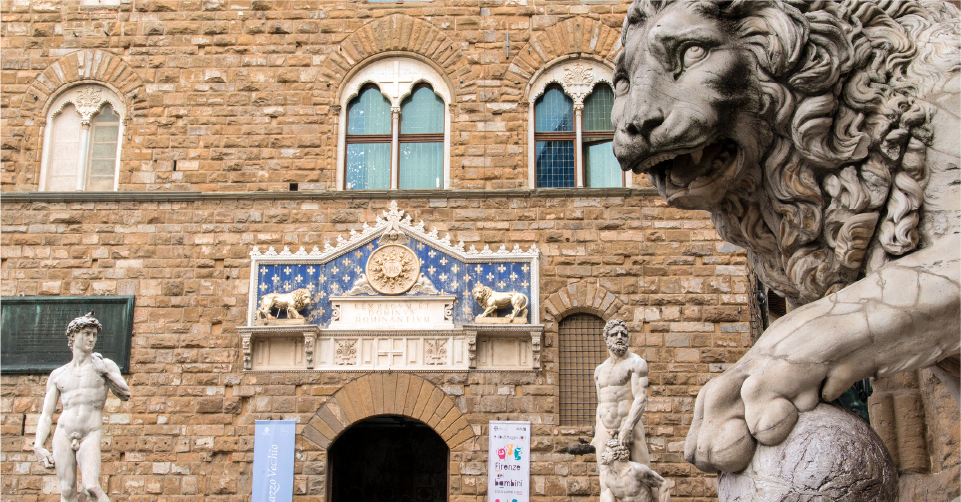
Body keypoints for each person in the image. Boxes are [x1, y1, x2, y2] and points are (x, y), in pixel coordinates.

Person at [34, 311, 130, 502]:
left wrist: (106, 374)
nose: (91, 338)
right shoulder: (58, 374)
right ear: (73, 336)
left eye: (94, 335)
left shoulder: (104, 366)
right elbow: (46, 414)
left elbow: (125, 393)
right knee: (67, 490)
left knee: (92, 487)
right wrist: (38, 444)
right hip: (63, 433)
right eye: (86, 333)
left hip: (90, 433)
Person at [593, 318, 651, 466]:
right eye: (614, 334)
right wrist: (597, 430)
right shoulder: (599, 370)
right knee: (606, 476)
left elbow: (640, 398)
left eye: (623, 334)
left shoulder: (636, 364)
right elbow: (600, 403)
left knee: (643, 475)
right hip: (604, 428)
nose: (619, 337)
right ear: (606, 338)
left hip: (629, 424)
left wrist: (628, 428)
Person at [599, 440, 670, 502]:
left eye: (607, 452)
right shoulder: (605, 477)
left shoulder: (637, 470)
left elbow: (663, 484)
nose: (602, 455)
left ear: (615, 455)